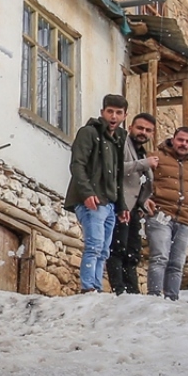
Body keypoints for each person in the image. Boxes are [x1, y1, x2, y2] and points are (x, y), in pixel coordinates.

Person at [66, 94, 130, 294]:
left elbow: (118, 176)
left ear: (125, 116)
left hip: (110, 202)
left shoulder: (119, 139)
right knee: (94, 245)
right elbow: (77, 164)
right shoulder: (89, 133)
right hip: (93, 199)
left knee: (103, 250)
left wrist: (122, 205)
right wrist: (87, 192)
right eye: (110, 111)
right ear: (102, 112)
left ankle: (97, 287)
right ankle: (88, 288)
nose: (114, 116)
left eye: (118, 113)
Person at [144, 126, 188, 301]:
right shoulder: (157, 157)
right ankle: (154, 298)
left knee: (177, 264)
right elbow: (142, 180)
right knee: (159, 257)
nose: (183, 144)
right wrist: (147, 199)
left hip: (185, 219)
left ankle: (172, 300)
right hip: (161, 214)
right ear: (173, 139)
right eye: (180, 140)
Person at [106, 113, 156, 295]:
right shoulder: (122, 144)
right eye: (140, 128)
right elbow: (117, 168)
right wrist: (144, 164)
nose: (143, 132)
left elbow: (140, 181)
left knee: (133, 252)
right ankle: (119, 290)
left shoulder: (142, 152)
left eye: (148, 130)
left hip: (135, 209)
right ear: (130, 128)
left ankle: (132, 292)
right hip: (121, 204)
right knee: (117, 249)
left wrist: (144, 201)